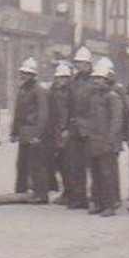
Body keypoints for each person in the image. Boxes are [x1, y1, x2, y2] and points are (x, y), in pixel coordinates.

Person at [86, 56, 124, 217]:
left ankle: (109, 205)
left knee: (107, 173)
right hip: (94, 140)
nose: (96, 82)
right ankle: (98, 202)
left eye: (100, 79)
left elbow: (116, 120)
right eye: (94, 79)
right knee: (96, 174)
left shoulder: (112, 97)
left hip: (107, 141)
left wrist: (109, 140)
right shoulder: (93, 97)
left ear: (106, 80)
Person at [9, 57, 51, 202]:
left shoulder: (39, 90)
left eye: (27, 73)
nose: (24, 75)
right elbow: (18, 113)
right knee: (22, 163)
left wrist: (38, 134)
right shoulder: (23, 90)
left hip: (34, 132)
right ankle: (21, 191)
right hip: (24, 132)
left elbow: (43, 113)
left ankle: (41, 194)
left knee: (37, 165)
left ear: (33, 75)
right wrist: (14, 132)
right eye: (23, 73)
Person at [61, 45, 96, 209]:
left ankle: (95, 197)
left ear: (89, 64)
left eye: (82, 63)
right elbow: (67, 105)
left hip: (89, 127)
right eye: (77, 63)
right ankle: (78, 197)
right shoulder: (72, 82)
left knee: (93, 165)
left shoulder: (95, 80)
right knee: (75, 165)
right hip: (75, 127)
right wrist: (65, 127)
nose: (79, 66)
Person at [45, 61, 74, 198]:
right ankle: (64, 191)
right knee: (59, 163)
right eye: (59, 78)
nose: (61, 80)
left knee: (68, 163)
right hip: (55, 130)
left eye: (63, 78)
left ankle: (70, 191)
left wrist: (67, 128)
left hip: (67, 131)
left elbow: (72, 112)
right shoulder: (53, 91)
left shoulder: (71, 92)